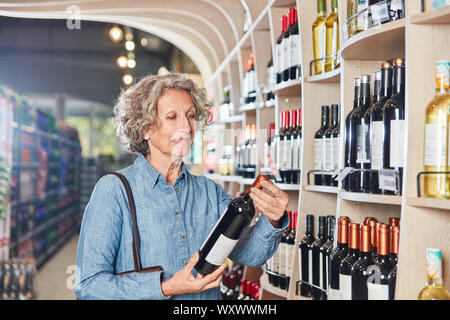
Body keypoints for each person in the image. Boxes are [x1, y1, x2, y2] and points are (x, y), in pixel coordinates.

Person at [74, 73, 290, 300]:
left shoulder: (210, 192)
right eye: (172, 117)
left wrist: (272, 220)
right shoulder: (113, 191)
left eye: (190, 115)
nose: (186, 126)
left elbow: (249, 254)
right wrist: (166, 287)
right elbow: (88, 285)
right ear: (145, 128)